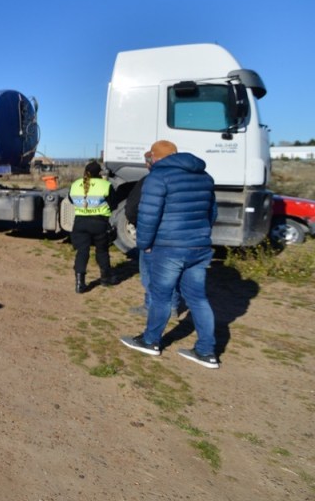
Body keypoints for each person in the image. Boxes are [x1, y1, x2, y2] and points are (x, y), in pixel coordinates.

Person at [120, 140, 220, 369]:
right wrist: (199, 235)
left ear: (155, 157)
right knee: (198, 299)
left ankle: (150, 341)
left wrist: (144, 244)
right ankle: (207, 352)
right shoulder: (204, 177)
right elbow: (212, 213)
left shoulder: (158, 177)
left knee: (161, 297)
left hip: (168, 248)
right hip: (199, 247)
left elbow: (148, 215)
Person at [124, 148, 183, 317]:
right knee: (173, 272)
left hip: (154, 236)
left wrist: (140, 226)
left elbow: (131, 209)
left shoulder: (149, 181)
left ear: (152, 162)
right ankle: (172, 307)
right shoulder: (187, 179)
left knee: (150, 273)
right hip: (178, 236)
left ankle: (151, 306)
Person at [69, 160, 117, 293]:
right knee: (102, 251)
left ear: (85, 172)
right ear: (99, 173)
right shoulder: (105, 185)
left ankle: (79, 284)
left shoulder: (75, 184)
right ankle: (106, 279)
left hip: (80, 223)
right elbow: (114, 204)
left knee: (82, 252)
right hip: (99, 223)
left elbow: (71, 200)